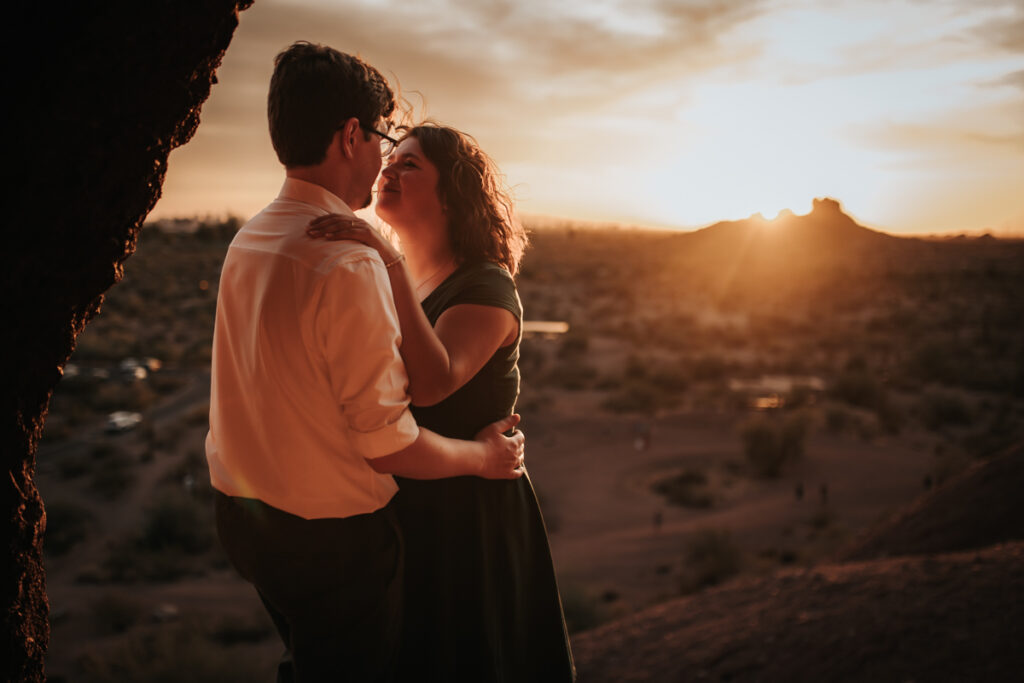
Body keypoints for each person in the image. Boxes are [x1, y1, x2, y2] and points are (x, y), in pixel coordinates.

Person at [205, 43, 525, 683]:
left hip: (246, 516)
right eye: (383, 142)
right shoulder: (349, 260)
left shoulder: (255, 235)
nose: (384, 163)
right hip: (329, 539)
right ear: (351, 135)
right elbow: (385, 442)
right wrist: (485, 458)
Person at [307, 123, 576, 682]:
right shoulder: (400, 280)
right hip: (408, 505)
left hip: (468, 522)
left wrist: (387, 259)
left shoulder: (486, 287)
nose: (389, 170)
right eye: (392, 159)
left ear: (453, 195)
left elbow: (432, 383)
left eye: (411, 165)